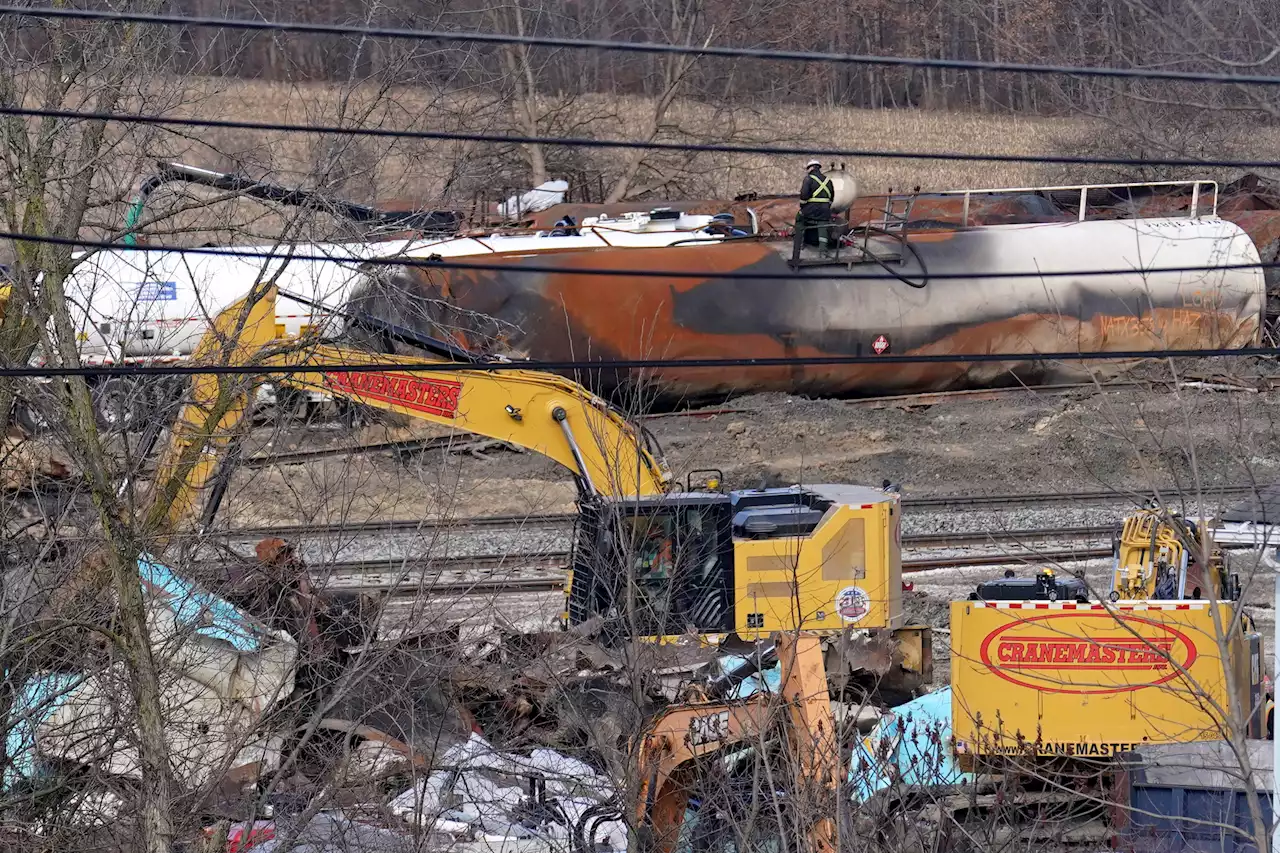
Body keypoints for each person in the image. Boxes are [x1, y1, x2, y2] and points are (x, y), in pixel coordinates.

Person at [797, 160, 834, 253]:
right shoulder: (828, 180)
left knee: (799, 218)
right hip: (825, 210)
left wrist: (803, 207)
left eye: (808, 168)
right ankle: (823, 250)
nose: (807, 170)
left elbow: (804, 196)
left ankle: (799, 243)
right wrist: (826, 207)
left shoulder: (808, 179)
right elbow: (831, 197)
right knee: (823, 225)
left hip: (811, 209)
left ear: (812, 168)